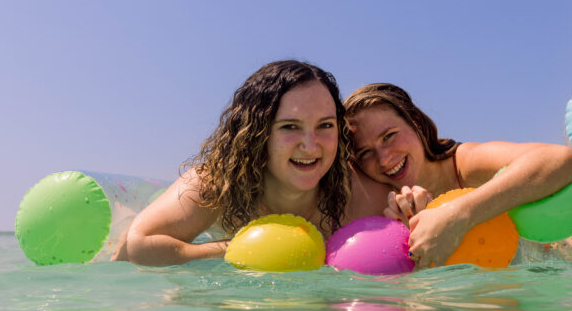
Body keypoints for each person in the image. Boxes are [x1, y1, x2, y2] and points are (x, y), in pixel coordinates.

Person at [124, 60, 390, 266]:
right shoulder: (218, 182)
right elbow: (140, 243)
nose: (310, 145)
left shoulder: (355, 192)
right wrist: (240, 250)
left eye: (325, 125)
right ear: (258, 134)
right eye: (290, 126)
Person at [344, 83, 572, 268]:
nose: (384, 159)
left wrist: (458, 215)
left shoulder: (462, 164)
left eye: (389, 136)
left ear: (415, 122)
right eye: (366, 153)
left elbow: (563, 159)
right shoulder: (391, 208)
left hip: (565, 265)